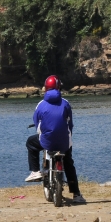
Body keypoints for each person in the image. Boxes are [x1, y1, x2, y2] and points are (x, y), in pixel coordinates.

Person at [25, 75, 83, 204]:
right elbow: (70, 124)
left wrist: (44, 134)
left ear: (46, 88)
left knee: (30, 142)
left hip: (47, 140)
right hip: (64, 141)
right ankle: (77, 194)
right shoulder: (66, 103)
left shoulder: (41, 104)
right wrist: (68, 137)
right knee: (68, 162)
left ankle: (35, 172)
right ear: (58, 87)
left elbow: (37, 123)